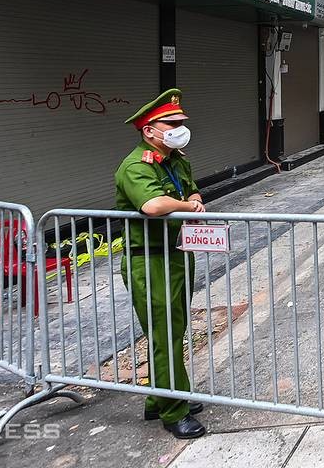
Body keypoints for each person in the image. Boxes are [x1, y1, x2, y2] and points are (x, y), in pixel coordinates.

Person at [115, 89, 207, 439]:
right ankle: (174, 411)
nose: (179, 128)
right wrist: (190, 208)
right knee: (165, 333)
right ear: (148, 130)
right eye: (171, 123)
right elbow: (152, 205)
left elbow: (192, 190)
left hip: (177, 254)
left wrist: (194, 199)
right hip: (149, 261)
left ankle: (160, 397)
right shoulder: (136, 166)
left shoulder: (176, 161)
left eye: (181, 122)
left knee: (174, 329)